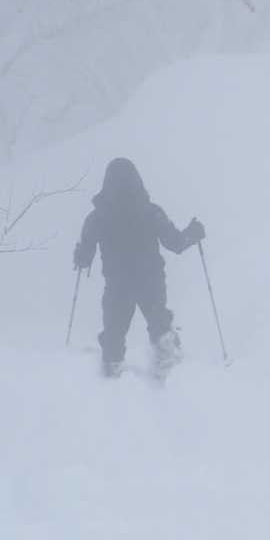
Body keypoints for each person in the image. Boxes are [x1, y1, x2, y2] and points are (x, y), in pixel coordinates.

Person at [73, 157, 205, 377]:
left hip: (118, 285)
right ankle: (171, 374)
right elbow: (176, 243)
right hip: (150, 280)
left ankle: (111, 376)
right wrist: (193, 233)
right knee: (160, 325)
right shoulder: (151, 212)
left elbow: (84, 259)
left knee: (114, 335)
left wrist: (80, 255)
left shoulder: (97, 218)